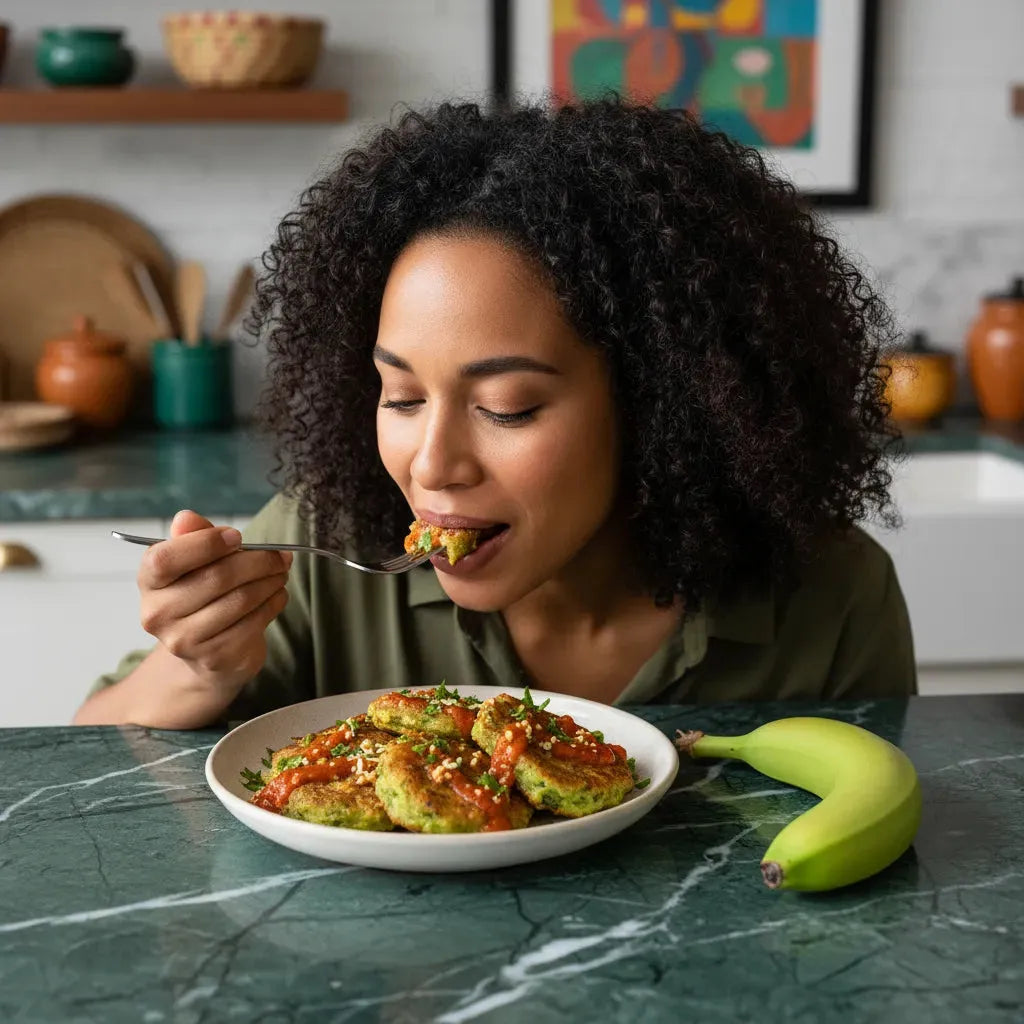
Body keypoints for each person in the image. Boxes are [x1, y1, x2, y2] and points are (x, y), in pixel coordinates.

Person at [74, 98, 915, 730]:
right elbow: (84, 757)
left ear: (663, 405)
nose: (432, 464)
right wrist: (198, 669)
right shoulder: (325, 548)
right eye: (400, 396)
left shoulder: (830, 596)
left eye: (505, 407)